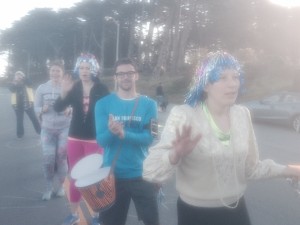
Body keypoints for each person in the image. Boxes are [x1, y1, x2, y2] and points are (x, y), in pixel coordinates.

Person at [143, 51, 300, 225]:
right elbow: (150, 169)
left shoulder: (242, 114)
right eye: (223, 78)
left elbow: (251, 168)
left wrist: (290, 170)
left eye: (235, 77)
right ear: (205, 85)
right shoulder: (184, 115)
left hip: (237, 211)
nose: (232, 84)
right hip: (195, 215)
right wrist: (174, 155)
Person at [95, 58, 160, 225]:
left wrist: (125, 134)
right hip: (112, 176)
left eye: (130, 73)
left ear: (136, 76)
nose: (126, 77)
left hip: (142, 175)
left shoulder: (149, 104)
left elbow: (150, 138)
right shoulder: (102, 104)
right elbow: (102, 141)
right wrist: (112, 131)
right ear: (115, 78)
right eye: (121, 74)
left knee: (152, 222)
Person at [54, 53, 109, 225]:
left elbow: (108, 111)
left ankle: (97, 216)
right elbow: (58, 107)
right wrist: (64, 91)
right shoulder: (75, 87)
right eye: (82, 68)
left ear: (94, 69)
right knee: (75, 176)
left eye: (88, 68)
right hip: (75, 138)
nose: (85, 71)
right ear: (78, 69)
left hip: (95, 139)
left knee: (94, 177)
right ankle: (74, 214)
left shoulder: (101, 88)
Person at [34, 60, 71, 201]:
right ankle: (48, 188)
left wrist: (70, 110)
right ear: (49, 72)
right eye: (53, 71)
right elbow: (36, 108)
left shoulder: (68, 88)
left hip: (64, 128)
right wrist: (41, 109)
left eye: (58, 71)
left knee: (61, 158)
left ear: (62, 73)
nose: (55, 73)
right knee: (48, 159)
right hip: (47, 129)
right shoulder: (41, 88)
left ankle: (61, 187)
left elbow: (75, 106)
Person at [9, 71, 41, 138]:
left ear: (23, 76)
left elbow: (31, 84)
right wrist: (15, 83)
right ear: (15, 77)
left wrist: (24, 78)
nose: (19, 77)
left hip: (28, 104)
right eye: (17, 75)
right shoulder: (13, 83)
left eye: (20, 75)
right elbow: (11, 89)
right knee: (19, 120)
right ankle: (20, 134)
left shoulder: (26, 81)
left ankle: (40, 131)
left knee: (33, 118)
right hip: (17, 105)